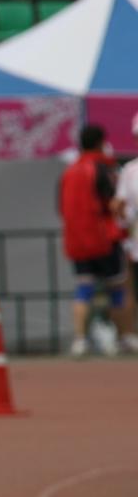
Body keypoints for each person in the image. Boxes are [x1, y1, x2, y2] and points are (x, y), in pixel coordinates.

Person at [58, 124, 138, 357]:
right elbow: (114, 205)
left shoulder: (68, 172)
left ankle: (80, 340)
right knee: (118, 289)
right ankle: (124, 337)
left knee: (83, 289)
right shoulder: (103, 169)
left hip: (77, 242)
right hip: (104, 240)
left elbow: (61, 208)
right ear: (101, 142)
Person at [112, 113, 138, 342]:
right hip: (134, 240)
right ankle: (129, 334)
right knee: (128, 287)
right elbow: (119, 206)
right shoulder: (130, 170)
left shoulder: (130, 171)